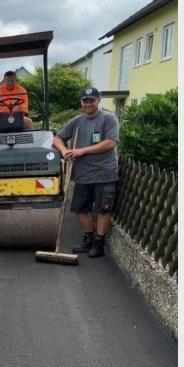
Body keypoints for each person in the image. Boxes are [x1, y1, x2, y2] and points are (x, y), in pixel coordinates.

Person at [52, 87, 120, 258]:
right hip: (83, 174)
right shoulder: (76, 121)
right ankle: (88, 238)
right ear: (82, 102)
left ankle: (99, 243)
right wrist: (64, 150)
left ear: (98, 100)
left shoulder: (108, 119)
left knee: (103, 209)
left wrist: (82, 151)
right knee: (80, 209)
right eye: (85, 100)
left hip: (105, 173)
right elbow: (57, 138)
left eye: (91, 100)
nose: (88, 104)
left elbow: (110, 143)